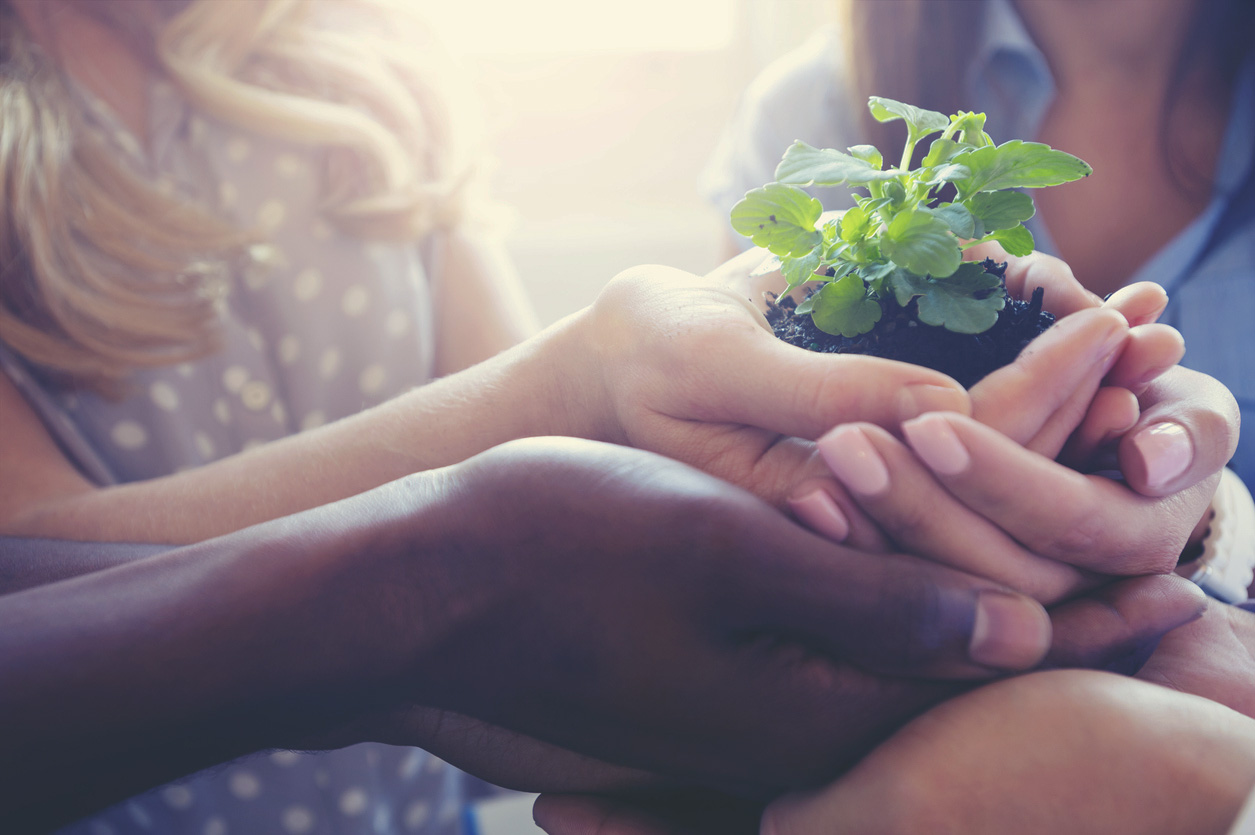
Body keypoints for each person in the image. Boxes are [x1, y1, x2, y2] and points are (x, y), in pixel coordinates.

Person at [0, 1, 1238, 833]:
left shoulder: (351, 61)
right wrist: (563, 413)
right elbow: (29, 576)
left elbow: (582, 464)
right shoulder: (834, 95)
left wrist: (1186, 547)